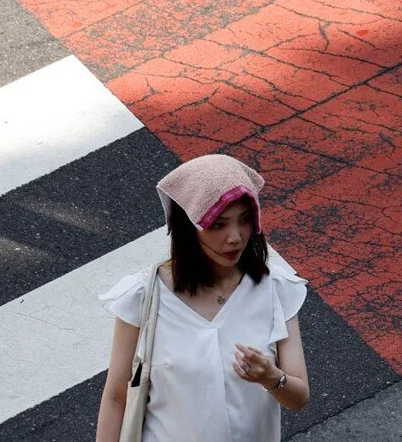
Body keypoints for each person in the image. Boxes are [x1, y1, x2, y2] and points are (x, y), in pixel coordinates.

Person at [95, 154, 310, 441]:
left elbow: (298, 397)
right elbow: (116, 397)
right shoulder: (144, 295)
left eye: (245, 220)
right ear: (190, 228)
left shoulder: (277, 289)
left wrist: (271, 377)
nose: (235, 237)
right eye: (218, 224)